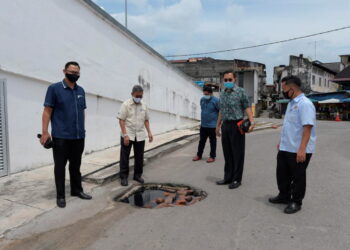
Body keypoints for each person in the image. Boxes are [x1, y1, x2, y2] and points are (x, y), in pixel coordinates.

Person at [41, 61, 92, 208]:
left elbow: (82, 112)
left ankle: (77, 190)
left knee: (76, 166)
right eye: (72, 72)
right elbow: (47, 111)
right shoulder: (54, 89)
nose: (74, 74)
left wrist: (82, 129)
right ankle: (61, 196)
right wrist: (45, 132)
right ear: (64, 71)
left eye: (77, 73)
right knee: (60, 167)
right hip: (61, 137)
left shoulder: (81, 91)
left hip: (78, 137)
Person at [269, 76, 316, 214]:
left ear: (292, 88)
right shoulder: (291, 103)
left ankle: (296, 201)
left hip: (298, 149)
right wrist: (281, 142)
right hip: (286, 146)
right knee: (282, 174)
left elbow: (307, 127)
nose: (282, 91)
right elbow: (289, 125)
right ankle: (284, 195)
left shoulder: (305, 104)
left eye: (284, 88)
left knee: (298, 177)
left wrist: (302, 149)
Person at [215, 71, 255, 189]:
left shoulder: (240, 92)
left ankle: (237, 179)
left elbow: (247, 107)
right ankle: (228, 177)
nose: (227, 82)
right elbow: (221, 111)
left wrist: (252, 122)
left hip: (237, 125)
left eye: (229, 79)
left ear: (235, 80)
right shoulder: (222, 93)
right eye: (225, 80)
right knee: (227, 153)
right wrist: (217, 126)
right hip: (226, 125)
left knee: (237, 153)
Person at [118, 85, 153, 186]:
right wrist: (125, 135)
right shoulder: (126, 104)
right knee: (125, 157)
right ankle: (124, 177)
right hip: (128, 134)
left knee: (139, 156)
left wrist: (149, 132)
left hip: (140, 135)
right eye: (137, 96)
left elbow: (146, 120)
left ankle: (137, 175)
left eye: (141, 96)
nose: (139, 98)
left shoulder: (144, 106)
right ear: (132, 94)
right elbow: (121, 120)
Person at [192, 85, 220, 163]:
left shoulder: (216, 101)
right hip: (203, 125)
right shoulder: (202, 100)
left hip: (212, 126)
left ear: (211, 93)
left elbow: (220, 112)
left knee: (213, 141)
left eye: (207, 94)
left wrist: (218, 125)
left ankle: (212, 156)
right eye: (204, 94)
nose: (205, 96)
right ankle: (199, 155)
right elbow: (203, 110)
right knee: (201, 141)